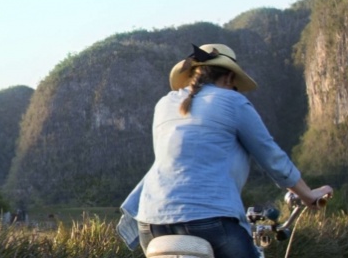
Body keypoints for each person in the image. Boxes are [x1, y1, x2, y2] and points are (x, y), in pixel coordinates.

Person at [120, 44, 334, 258]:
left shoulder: (164, 104)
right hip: (210, 221)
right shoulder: (234, 101)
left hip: (151, 223)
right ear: (229, 78)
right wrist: (308, 195)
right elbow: (273, 158)